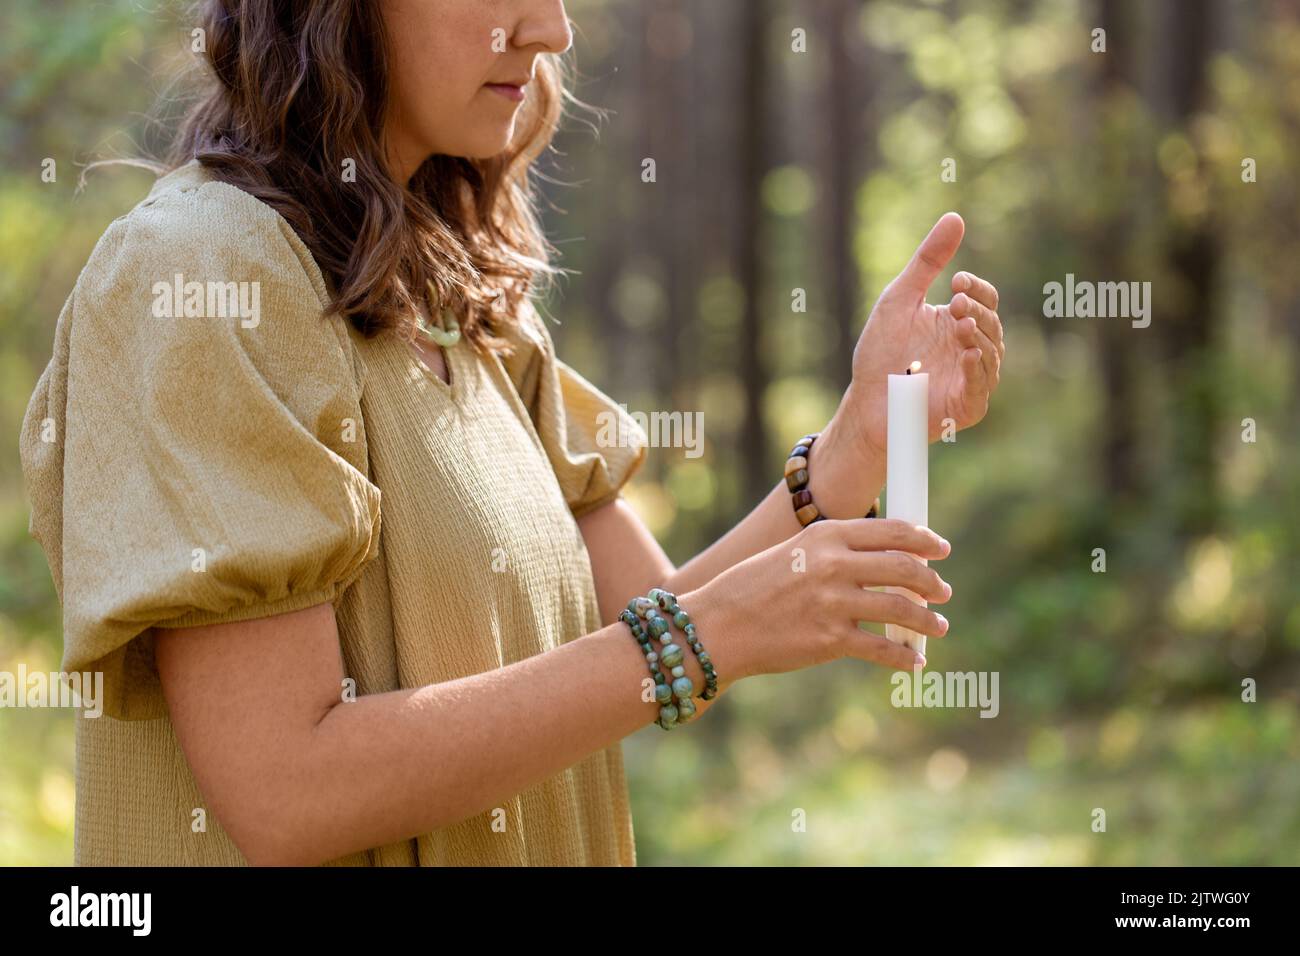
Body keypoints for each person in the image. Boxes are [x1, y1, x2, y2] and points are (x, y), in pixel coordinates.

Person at [18, 0, 1005, 866]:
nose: (553, 29)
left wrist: (855, 444)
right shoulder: (202, 275)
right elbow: (285, 789)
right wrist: (710, 632)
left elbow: (650, 627)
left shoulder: (461, 295)